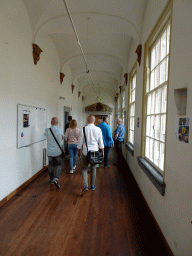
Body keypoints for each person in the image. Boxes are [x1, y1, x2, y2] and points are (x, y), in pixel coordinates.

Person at [78, 115, 104, 194]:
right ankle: (92, 185)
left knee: (84, 169)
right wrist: (102, 151)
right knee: (93, 169)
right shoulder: (98, 129)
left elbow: (80, 141)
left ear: (88, 120)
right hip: (95, 152)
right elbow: (101, 141)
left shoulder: (83, 129)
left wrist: (79, 150)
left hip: (86, 152)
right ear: (93, 120)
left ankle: (85, 185)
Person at [45, 117, 64, 188]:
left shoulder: (47, 130)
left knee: (51, 165)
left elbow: (46, 137)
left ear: (51, 122)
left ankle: (51, 179)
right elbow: (62, 138)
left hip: (50, 151)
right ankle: (56, 178)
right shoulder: (60, 130)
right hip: (58, 151)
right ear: (57, 123)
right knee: (58, 165)